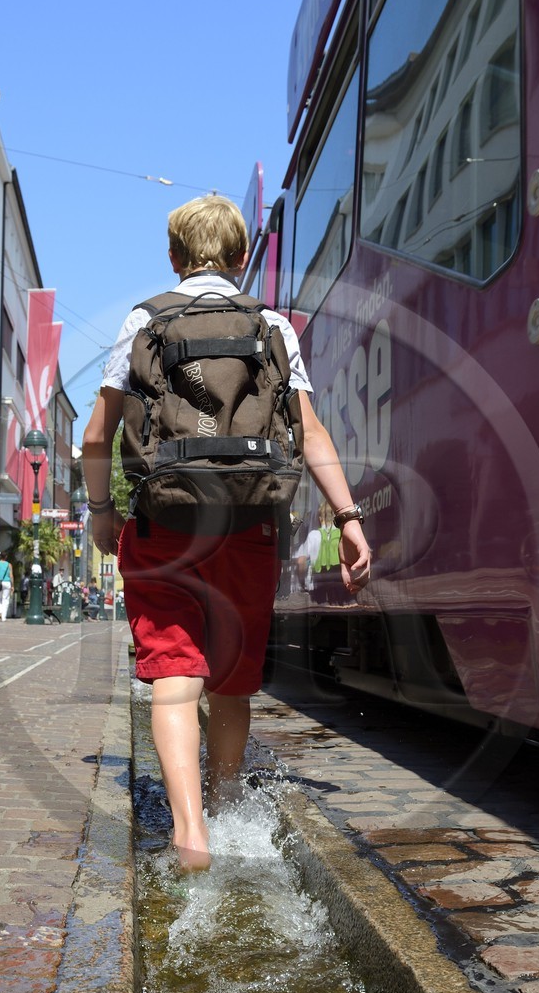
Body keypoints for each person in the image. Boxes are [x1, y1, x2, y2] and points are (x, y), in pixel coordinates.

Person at [82, 194, 370, 872]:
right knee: (232, 682)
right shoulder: (272, 324)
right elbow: (311, 431)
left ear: (174, 257)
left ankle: (191, 836)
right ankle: (227, 800)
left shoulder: (144, 319)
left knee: (175, 678)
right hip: (250, 523)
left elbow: (98, 433)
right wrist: (349, 517)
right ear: (243, 260)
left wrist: (101, 510)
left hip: (166, 523)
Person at [0, 550, 13, 621]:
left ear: (0, 556)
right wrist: (12, 586)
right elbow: (11, 576)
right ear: (6, 557)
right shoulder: (9, 565)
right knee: (6, 599)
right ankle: (4, 617)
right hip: (7, 583)